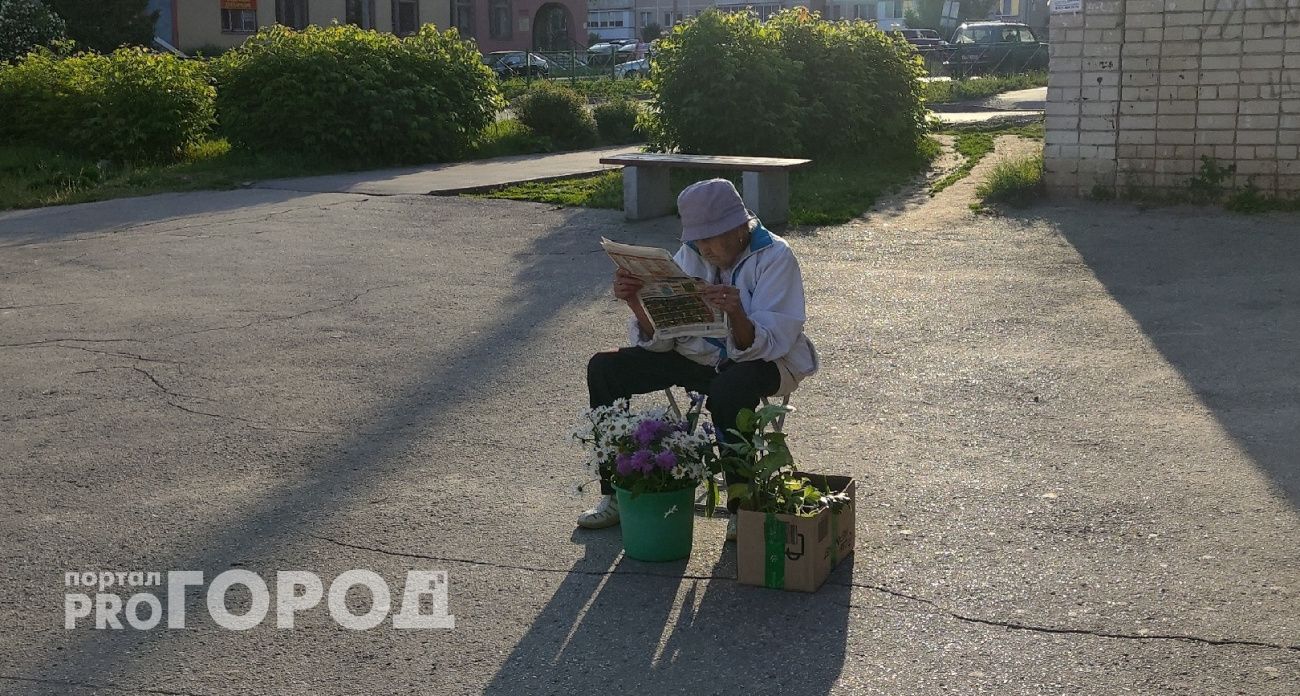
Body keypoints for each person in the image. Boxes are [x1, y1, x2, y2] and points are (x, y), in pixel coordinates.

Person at [578, 178, 819, 540]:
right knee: (605, 368)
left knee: (730, 388)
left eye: (710, 238)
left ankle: (742, 506)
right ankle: (615, 493)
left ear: (739, 228)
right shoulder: (692, 251)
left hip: (763, 363)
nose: (703, 248)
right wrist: (636, 302)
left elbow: (773, 341)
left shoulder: (776, 257)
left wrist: (737, 313)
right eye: (697, 239)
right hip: (694, 356)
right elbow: (662, 337)